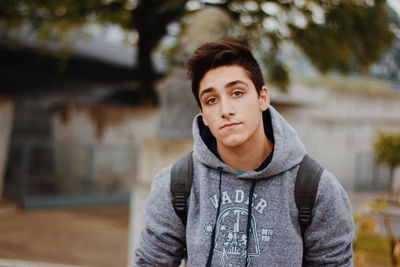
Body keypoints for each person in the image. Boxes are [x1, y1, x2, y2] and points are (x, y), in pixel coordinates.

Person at [134, 40, 354, 266]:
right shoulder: (176, 184)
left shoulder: (317, 188)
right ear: (203, 115)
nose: (226, 110)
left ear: (262, 98)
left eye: (237, 93)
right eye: (211, 100)